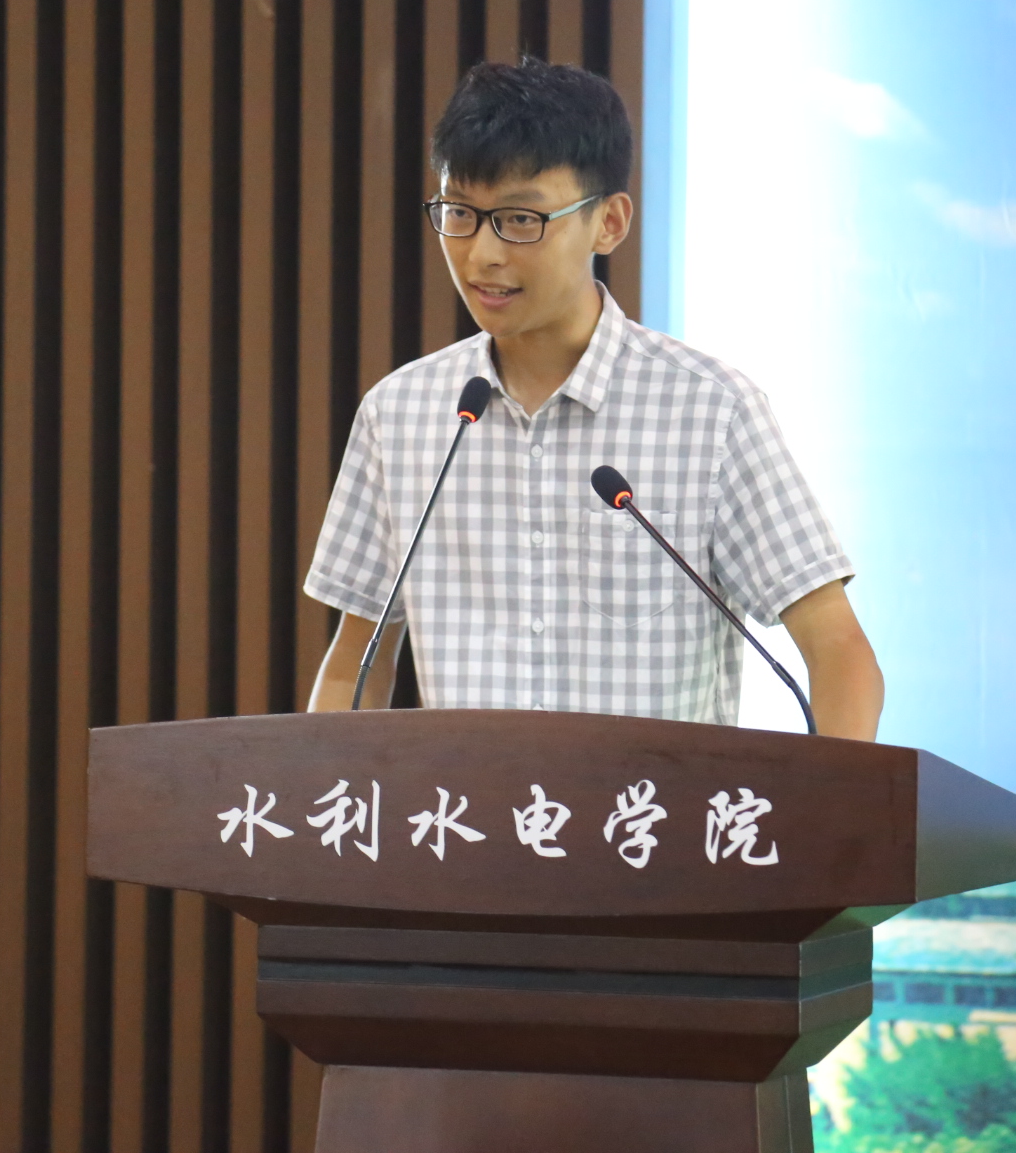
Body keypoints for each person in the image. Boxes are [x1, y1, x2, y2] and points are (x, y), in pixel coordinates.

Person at [303, 58, 882, 740]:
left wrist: (835, 807)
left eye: (519, 219)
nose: (482, 254)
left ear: (609, 222)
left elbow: (839, 653)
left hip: (653, 810)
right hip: (470, 812)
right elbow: (356, 666)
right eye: (459, 213)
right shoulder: (398, 417)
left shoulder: (711, 413)